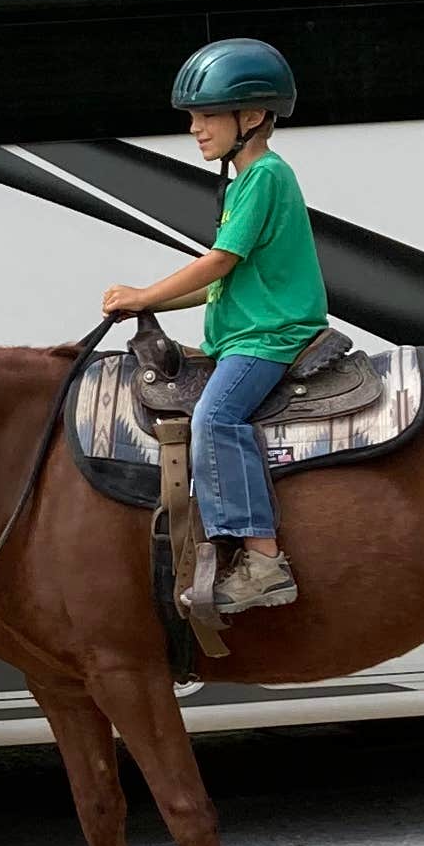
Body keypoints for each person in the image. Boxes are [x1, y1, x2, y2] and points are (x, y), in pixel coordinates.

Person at [98, 37, 325, 618]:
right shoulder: (246, 182)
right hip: (243, 335)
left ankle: (263, 559)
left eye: (206, 116)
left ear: (250, 117)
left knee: (215, 417)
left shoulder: (266, 176)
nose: (196, 129)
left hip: (267, 338)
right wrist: (146, 306)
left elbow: (219, 261)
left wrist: (146, 291)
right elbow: (222, 282)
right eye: (193, 118)